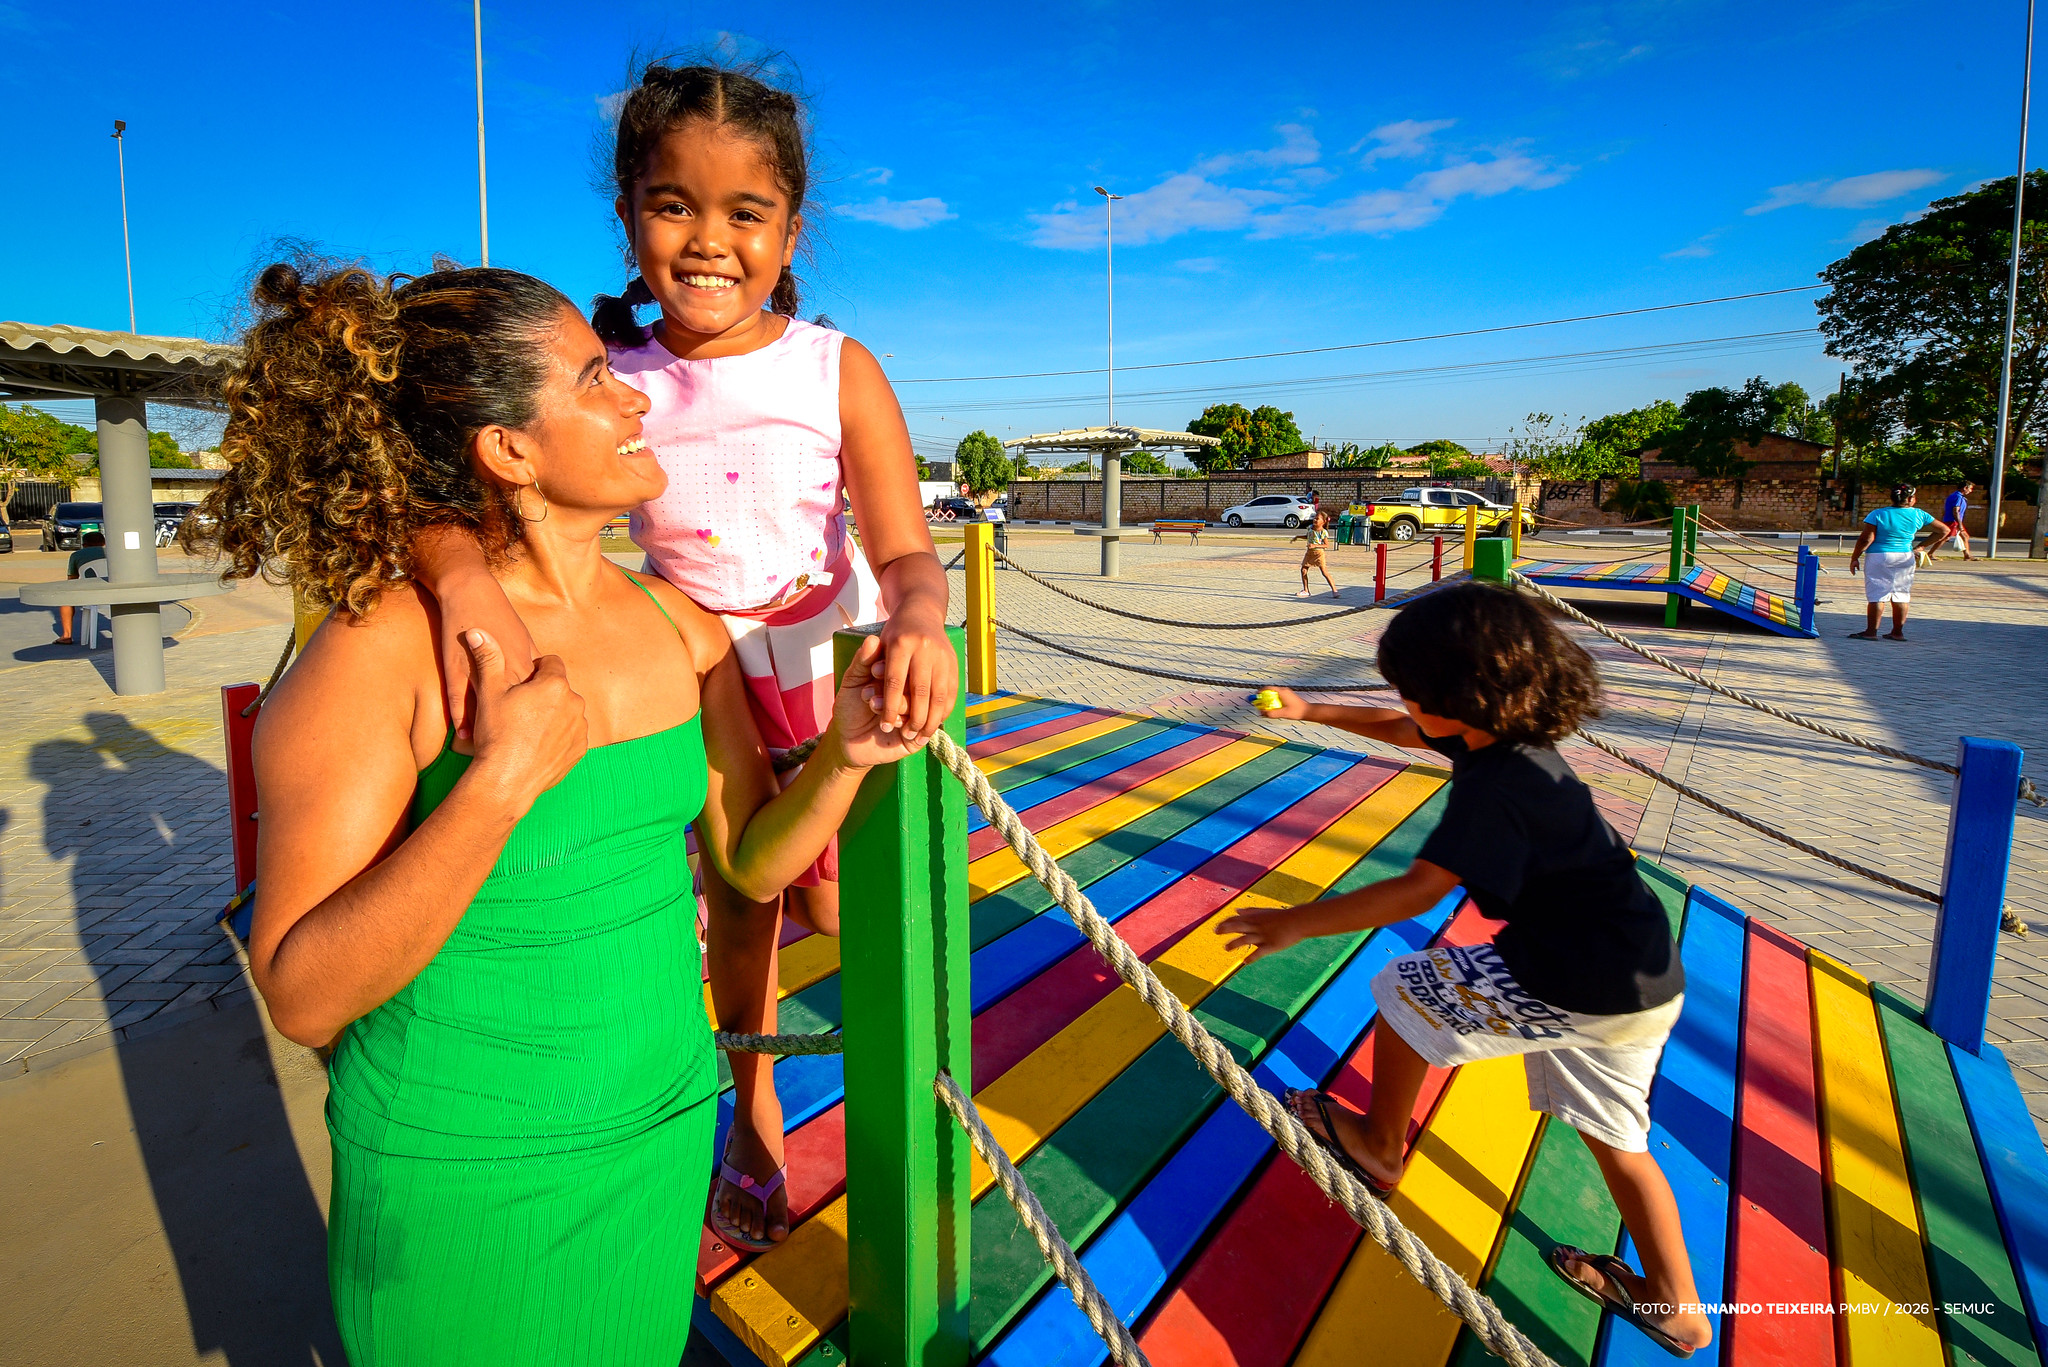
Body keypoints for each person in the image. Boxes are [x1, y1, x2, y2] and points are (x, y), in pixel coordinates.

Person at [189, 260, 927, 1367]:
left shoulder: (679, 625)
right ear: (508, 448)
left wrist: (843, 759)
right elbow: (299, 990)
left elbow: (751, 865)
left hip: (665, 1127)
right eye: (593, 378)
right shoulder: (381, 648)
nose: (636, 396)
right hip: (471, 1169)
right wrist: (496, 786)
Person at [405, 61, 956, 1251]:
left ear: (789, 229)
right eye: (671, 205)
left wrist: (919, 618)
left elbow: (908, 552)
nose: (707, 241)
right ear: (626, 216)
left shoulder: (834, 367)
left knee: (835, 903)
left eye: (743, 212)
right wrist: (455, 575)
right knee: (737, 907)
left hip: (828, 667)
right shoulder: (606, 373)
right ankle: (750, 1121)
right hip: (694, 677)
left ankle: (918, 1089)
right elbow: (453, 470)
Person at [1220, 583, 1709, 1359]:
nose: (1402, 701)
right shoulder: (1509, 734)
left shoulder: (1496, 789)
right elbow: (1410, 732)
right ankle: (1679, 1308)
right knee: (1620, 1139)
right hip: (1642, 979)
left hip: (1573, 978)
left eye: (1413, 689)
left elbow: (1418, 887)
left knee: (1406, 989)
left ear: (1460, 698)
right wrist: (1315, 713)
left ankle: (1380, 1144)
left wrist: (1292, 923)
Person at [1849, 483, 1938, 641]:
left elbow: (1866, 538)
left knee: (1877, 594)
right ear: (1911, 499)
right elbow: (1944, 530)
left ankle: (1871, 632)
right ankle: (1897, 632)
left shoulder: (1878, 514)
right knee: (1901, 594)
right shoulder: (1919, 514)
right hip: (1905, 556)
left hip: (1879, 556)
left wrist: (1855, 557)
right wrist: (1921, 546)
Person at [56, 530, 107, 645]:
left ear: (84, 545)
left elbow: (72, 581)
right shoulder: (113, 553)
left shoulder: (76, 555)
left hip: (91, 595)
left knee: (65, 599)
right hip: (115, 593)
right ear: (104, 543)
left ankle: (66, 635)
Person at [1294, 509, 1339, 598]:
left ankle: (1335, 590)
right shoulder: (1310, 528)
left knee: (1324, 572)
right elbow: (1308, 536)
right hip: (1309, 553)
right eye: (1314, 518)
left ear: (1323, 521)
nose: (1315, 520)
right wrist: (1298, 537)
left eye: (1317, 519)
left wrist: (1314, 545)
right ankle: (1306, 590)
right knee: (1303, 570)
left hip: (1319, 554)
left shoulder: (1323, 532)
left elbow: (1326, 545)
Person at [1932, 480, 1975, 561]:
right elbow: (1955, 510)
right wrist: (1960, 524)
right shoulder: (1958, 497)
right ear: (1965, 488)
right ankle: (1930, 553)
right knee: (1945, 537)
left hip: (1951, 520)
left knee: (1964, 536)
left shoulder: (1954, 495)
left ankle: (1967, 555)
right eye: (1970, 488)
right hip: (1953, 521)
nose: (1970, 491)